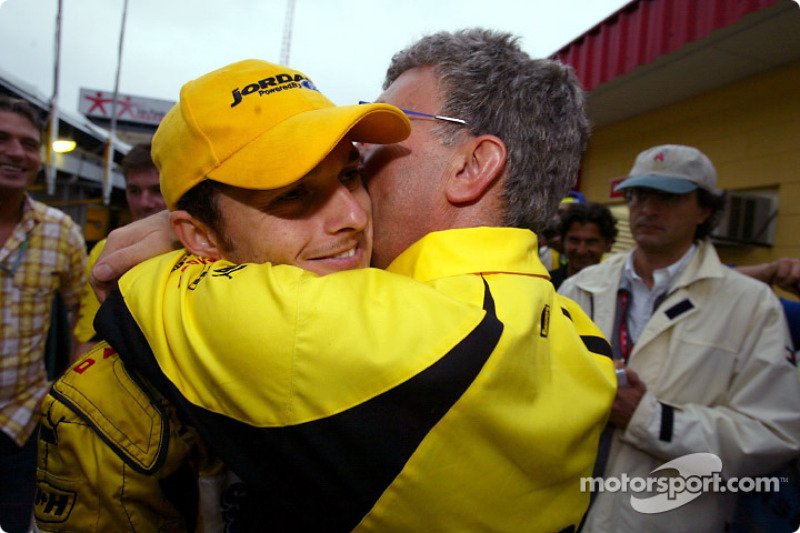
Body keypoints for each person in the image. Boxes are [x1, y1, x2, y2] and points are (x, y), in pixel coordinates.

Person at [86, 29, 617, 532]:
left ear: (471, 167)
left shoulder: (383, 337)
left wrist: (187, 240)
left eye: (396, 128)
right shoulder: (583, 338)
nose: (361, 155)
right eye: (294, 190)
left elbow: (133, 287)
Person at [35, 59, 412, 532]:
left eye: (350, 174)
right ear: (199, 236)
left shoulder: (424, 295)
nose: (353, 216)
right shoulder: (113, 409)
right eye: (294, 195)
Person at [558, 144, 800, 532]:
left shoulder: (751, 305)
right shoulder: (580, 288)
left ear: (704, 209)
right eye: (638, 196)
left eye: (668, 197)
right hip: (567, 511)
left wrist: (650, 418)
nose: (648, 209)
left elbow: (772, 436)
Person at [0, 96, 87, 533]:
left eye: (29, 144)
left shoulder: (61, 232)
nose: (16, 152)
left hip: (22, 425)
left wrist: (65, 397)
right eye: (3, 139)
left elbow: (83, 315)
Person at [72, 142, 167, 356]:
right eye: (134, 190)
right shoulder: (106, 251)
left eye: (157, 190)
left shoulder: (209, 246)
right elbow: (90, 338)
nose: (144, 202)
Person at [550, 201, 617, 289]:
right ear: (563, 240)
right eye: (574, 240)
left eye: (591, 242)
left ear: (608, 244)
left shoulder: (616, 290)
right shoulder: (545, 286)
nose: (581, 250)